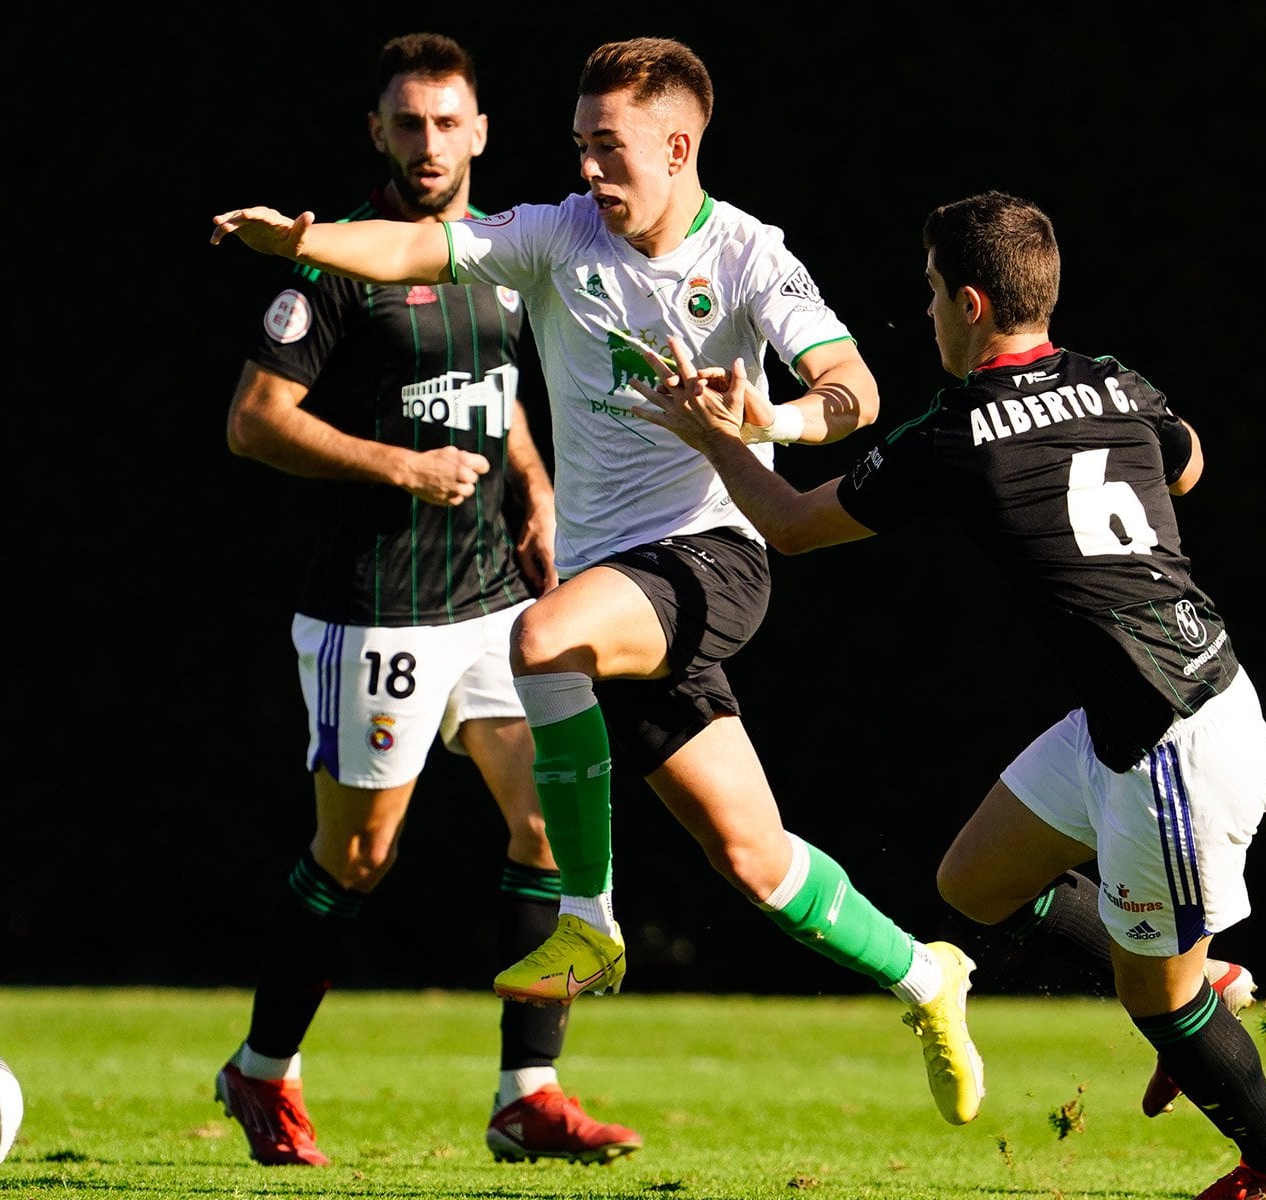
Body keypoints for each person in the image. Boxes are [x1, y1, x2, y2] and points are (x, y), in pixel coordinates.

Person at [213, 36, 988, 1125]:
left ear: (678, 146)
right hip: (615, 591)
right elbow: (412, 250)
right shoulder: (553, 237)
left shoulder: (752, 256)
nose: (588, 172)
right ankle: (925, 976)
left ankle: (588, 916)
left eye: (609, 150)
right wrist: (303, 239)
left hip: (710, 558)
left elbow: (851, 387)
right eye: (579, 147)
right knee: (752, 857)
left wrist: (769, 417)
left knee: (539, 641)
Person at [633, 191, 1266, 1199]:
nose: (923, 315)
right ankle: (1202, 984)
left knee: (1156, 1000)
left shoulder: (959, 433)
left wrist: (713, 439)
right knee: (972, 885)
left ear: (967, 302)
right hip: (1143, 712)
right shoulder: (1112, 379)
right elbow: (1186, 464)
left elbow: (786, 524)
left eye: (926, 294)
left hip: (1172, 743)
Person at [212, 32, 641, 1167]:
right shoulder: (337, 267)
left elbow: (495, 395)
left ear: (482, 133)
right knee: (356, 859)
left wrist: (536, 491)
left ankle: (527, 1094)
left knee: (548, 821)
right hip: (376, 609)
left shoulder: (496, 256)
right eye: (408, 124)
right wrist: (400, 466)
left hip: (494, 599)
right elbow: (253, 422)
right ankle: (261, 1072)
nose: (429, 145)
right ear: (377, 134)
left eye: (448, 124)